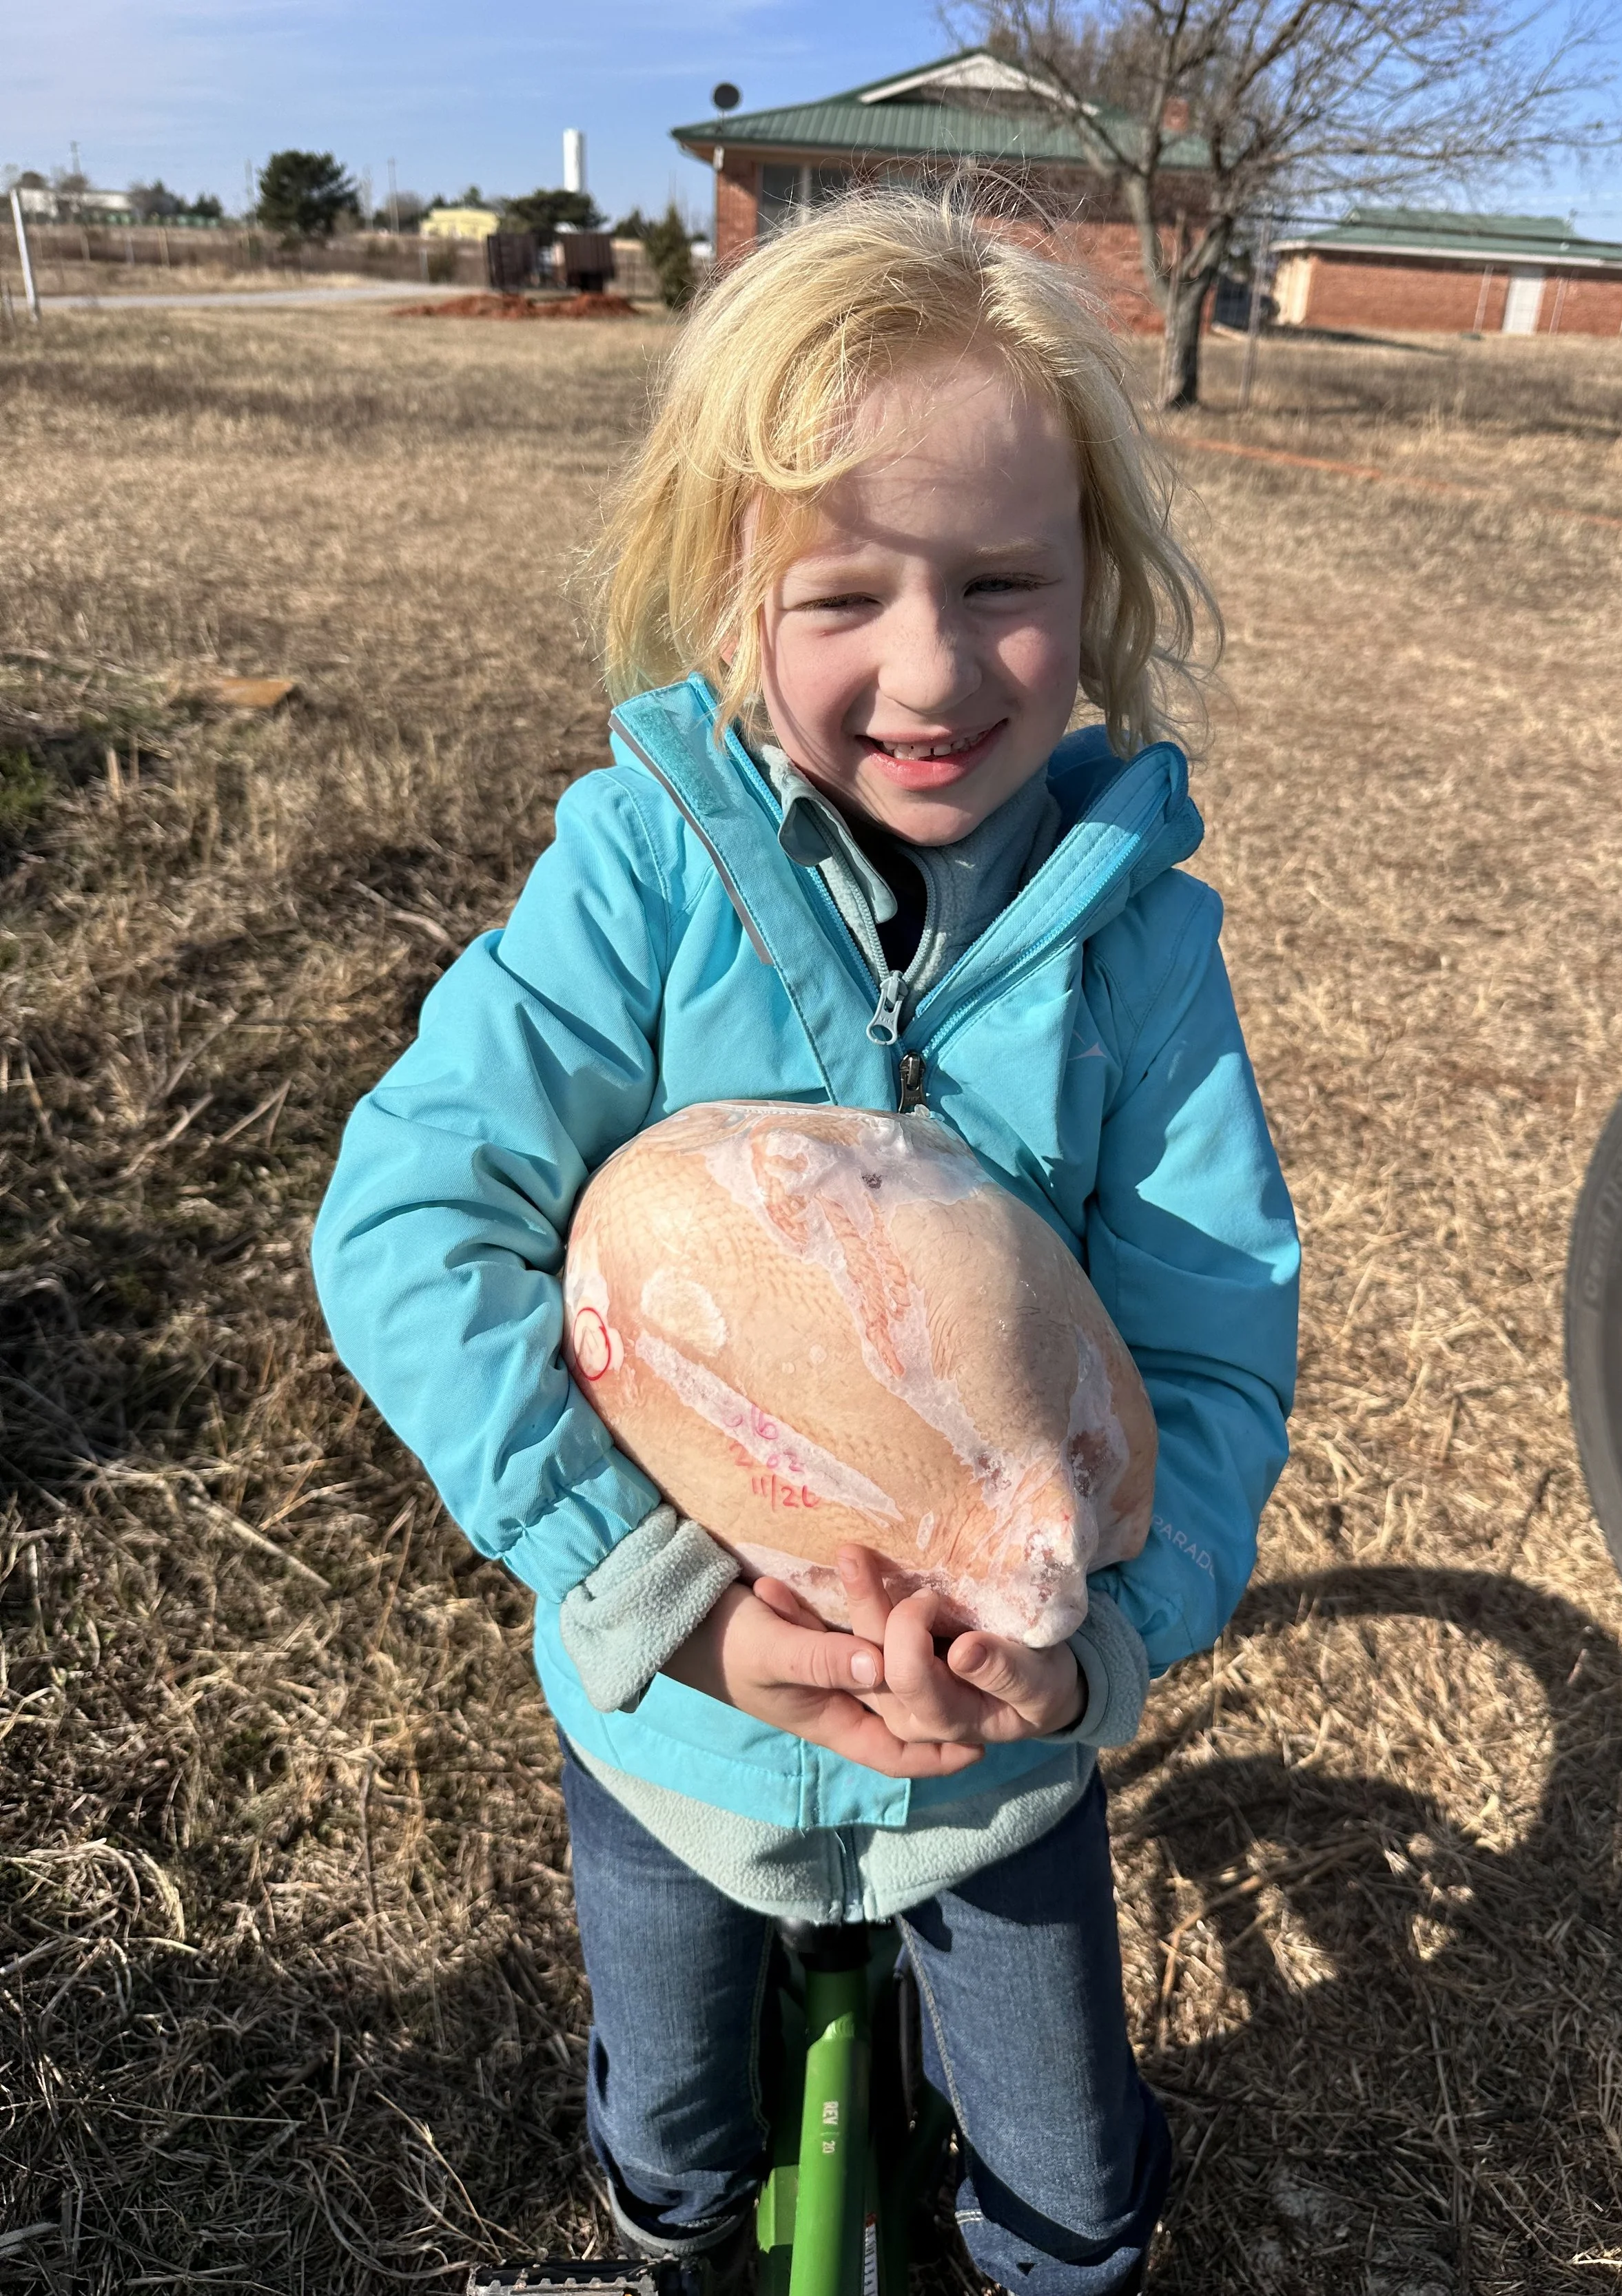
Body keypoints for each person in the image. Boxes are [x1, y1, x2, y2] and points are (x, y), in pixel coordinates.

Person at [312, 191, 1299, 2296]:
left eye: (1002, 583)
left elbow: (1207, 1340)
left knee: (1068, 2186)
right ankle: (669, 2229)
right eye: (842, 591)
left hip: (1003, 1753)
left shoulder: (1139, 948)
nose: (930, 667)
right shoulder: (646, 874)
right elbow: (408, 1215)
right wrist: (654, 1590)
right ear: (722, 590)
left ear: (1097, 585)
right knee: (672, 2129)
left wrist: (1089, 1640)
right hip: (678, 1726)